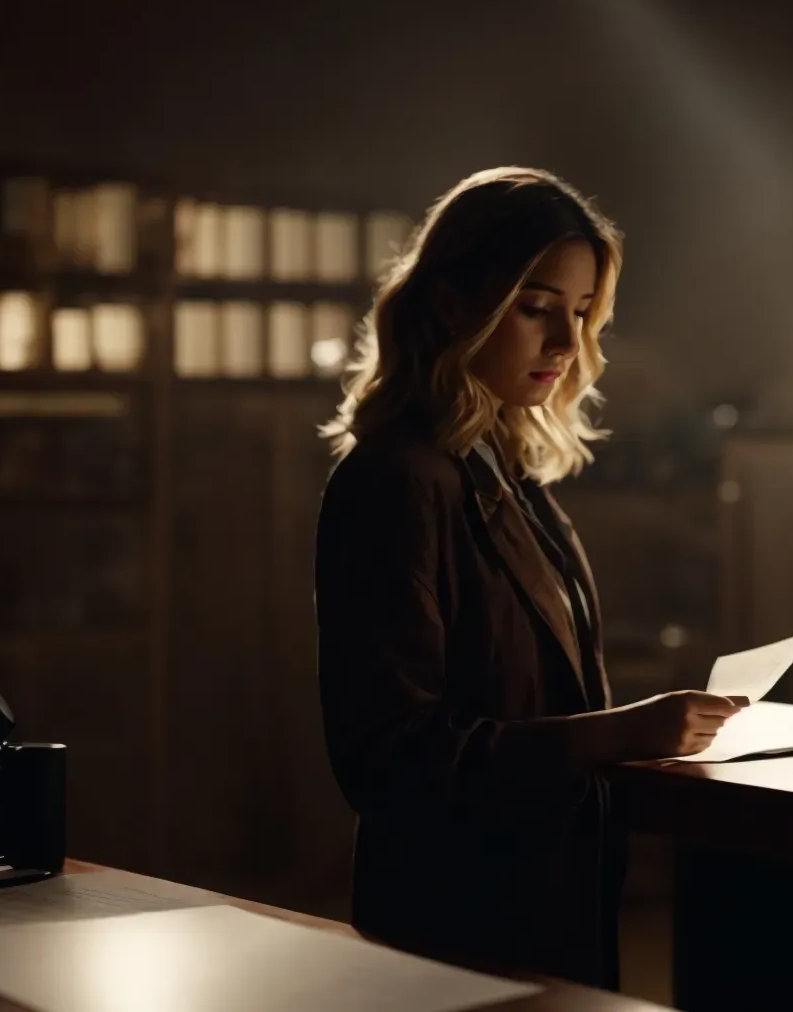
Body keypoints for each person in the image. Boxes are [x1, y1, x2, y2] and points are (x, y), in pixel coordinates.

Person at [314, 167, 742, 986]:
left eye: (582, 315)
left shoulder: (506, 467)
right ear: (450, 303)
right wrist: (619, 733)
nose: (567, 345)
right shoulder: (397, 480)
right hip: (458, 929)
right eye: (536, 307)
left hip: (547, 904)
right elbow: (390, 762)